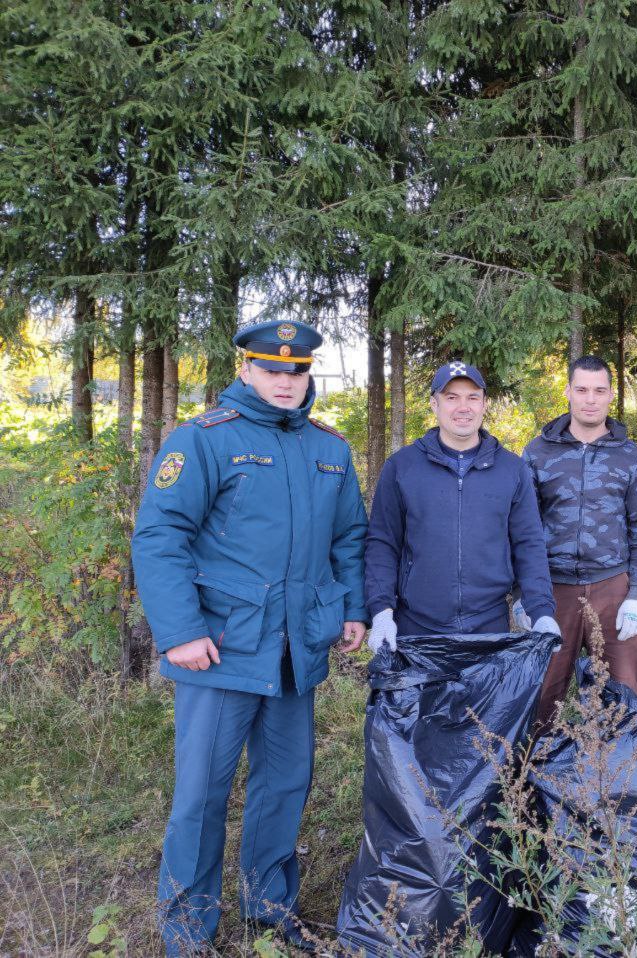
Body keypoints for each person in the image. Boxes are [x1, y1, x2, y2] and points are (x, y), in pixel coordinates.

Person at [132, 319, 368, 955]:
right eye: (272, 370)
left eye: (296, 372)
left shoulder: (330, 450)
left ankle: (268, 910)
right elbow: (160, 536)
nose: (286, 382)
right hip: (220, 649)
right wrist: (179, 631)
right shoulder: (205, 440)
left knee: (285, 785)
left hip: (296, 652)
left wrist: (353, 608)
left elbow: (349, 538)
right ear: (245, 369)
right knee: (202, 796)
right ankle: (188, 932)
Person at [364, 361, 557, 653]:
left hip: (488, 625)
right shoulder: (402, 467)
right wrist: (381, 612)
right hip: (417, 626)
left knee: (481, 701)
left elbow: (529, 544)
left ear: (484, 404)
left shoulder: (512, 469)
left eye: (472, 397)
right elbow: (383, 543)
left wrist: (541, 612)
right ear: (434, 404)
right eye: (451, 397)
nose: (463, 407)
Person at [519, 355, 637, 728]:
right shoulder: (537, 452)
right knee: (540, 696)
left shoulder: (630, 456)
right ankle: (532, 782)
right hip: (552, 590)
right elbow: (522, 529)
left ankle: (619, 782)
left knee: (623, 698)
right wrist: (523, 594)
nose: (590, 399)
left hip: (612, 590)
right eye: (581, 390)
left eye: (599, 391)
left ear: (611, 395)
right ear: (567, 392)